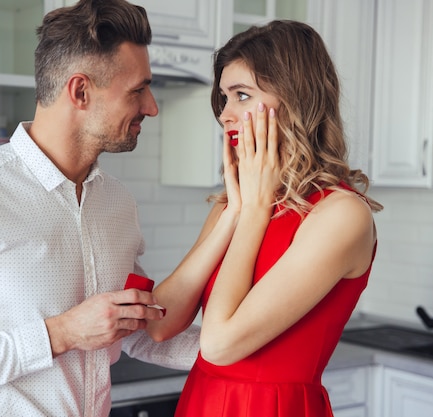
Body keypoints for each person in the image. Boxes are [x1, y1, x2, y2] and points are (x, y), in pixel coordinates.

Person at [0, 1, 199, 416]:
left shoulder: (117, 204)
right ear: (80, 90)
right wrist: (60, 333)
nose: (152, 106)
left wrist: (256, 345)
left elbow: (132, 332)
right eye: (138, 89)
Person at [145, 20, 383, 417]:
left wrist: (252, 212)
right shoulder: (235, 202)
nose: (225, 115)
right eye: (224, 97)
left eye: (242, 95)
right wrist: (237, 210)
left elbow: (219, 344)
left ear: (296, 98)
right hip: (202, 401)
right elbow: (160, 324)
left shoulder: (341, 215)